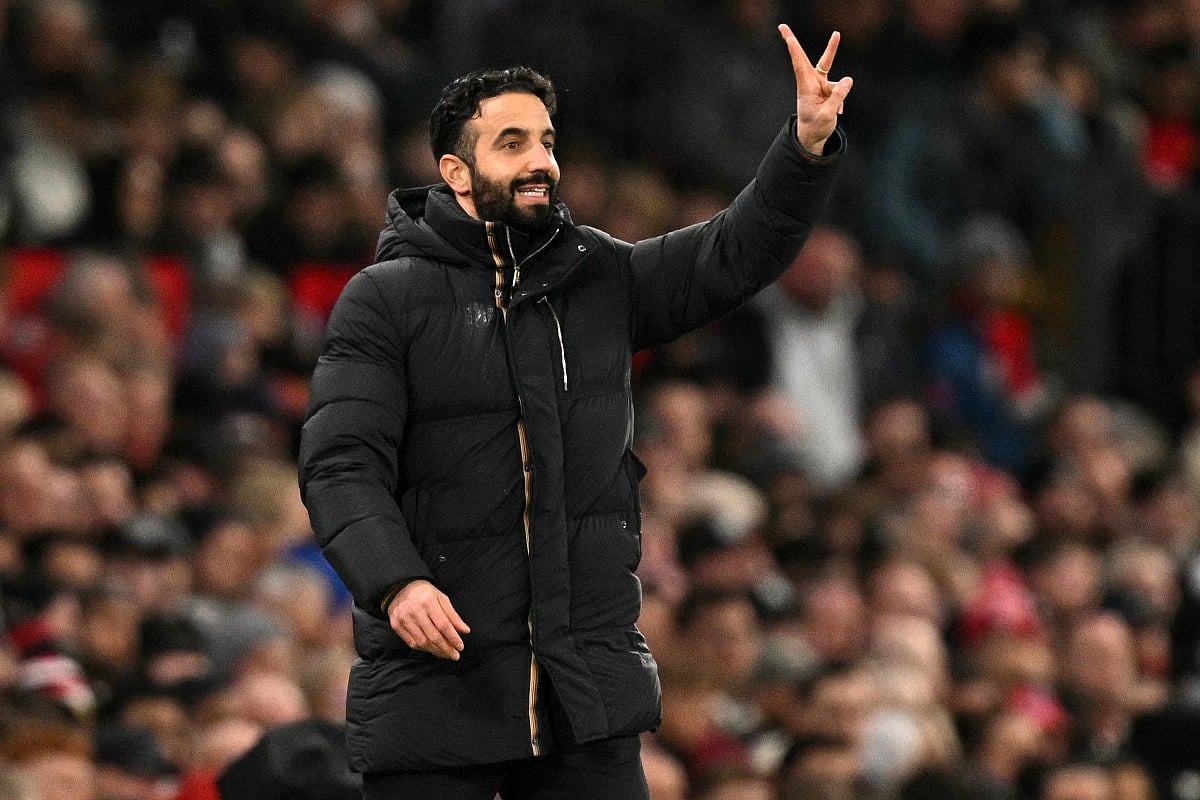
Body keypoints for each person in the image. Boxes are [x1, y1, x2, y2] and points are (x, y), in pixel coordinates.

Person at [297, 23, 853, 800]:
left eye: (547, 140)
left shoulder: (600, 276)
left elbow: (735, 253)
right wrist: (397, 584)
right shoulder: (386, 300)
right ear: (456, 171)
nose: (541, 161)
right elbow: (340, 462)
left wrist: (803, 149)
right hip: (438, 693)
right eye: (513, 142)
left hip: (585, 696)